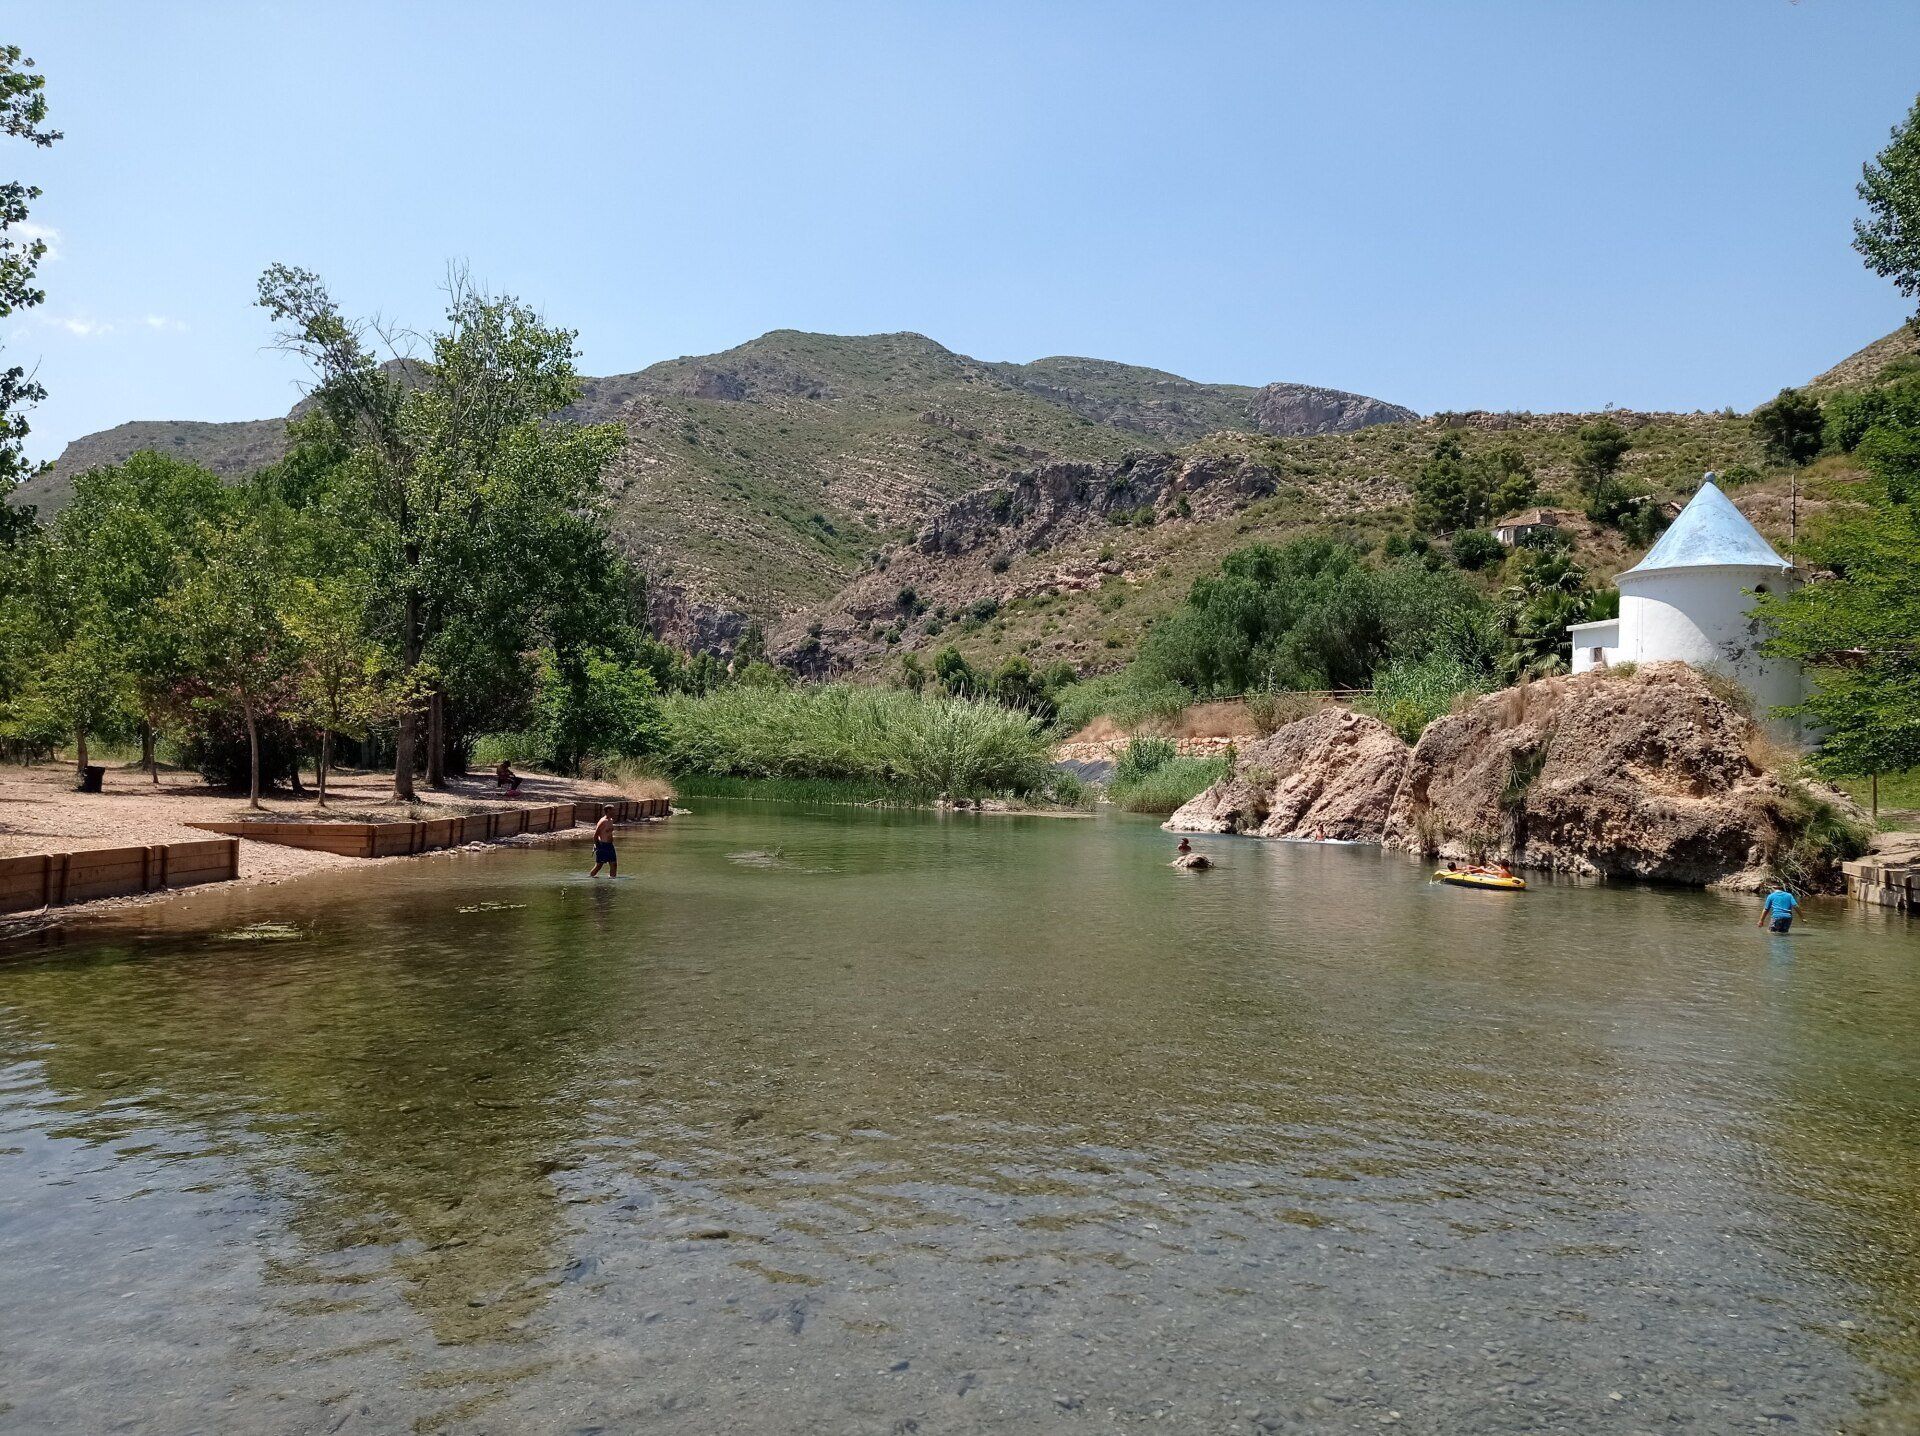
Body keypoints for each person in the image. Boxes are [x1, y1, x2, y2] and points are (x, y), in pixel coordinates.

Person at [590, 806, 618, 878]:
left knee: (614, 864)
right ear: (608, 810)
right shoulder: (603, 821)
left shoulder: (611, 820)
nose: (614, 812)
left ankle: (612, 880)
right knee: (599, 865)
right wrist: (597, 846)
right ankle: (591, 877)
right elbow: (595, 835)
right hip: (602, 845)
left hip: (610, 846)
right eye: (613, 810)